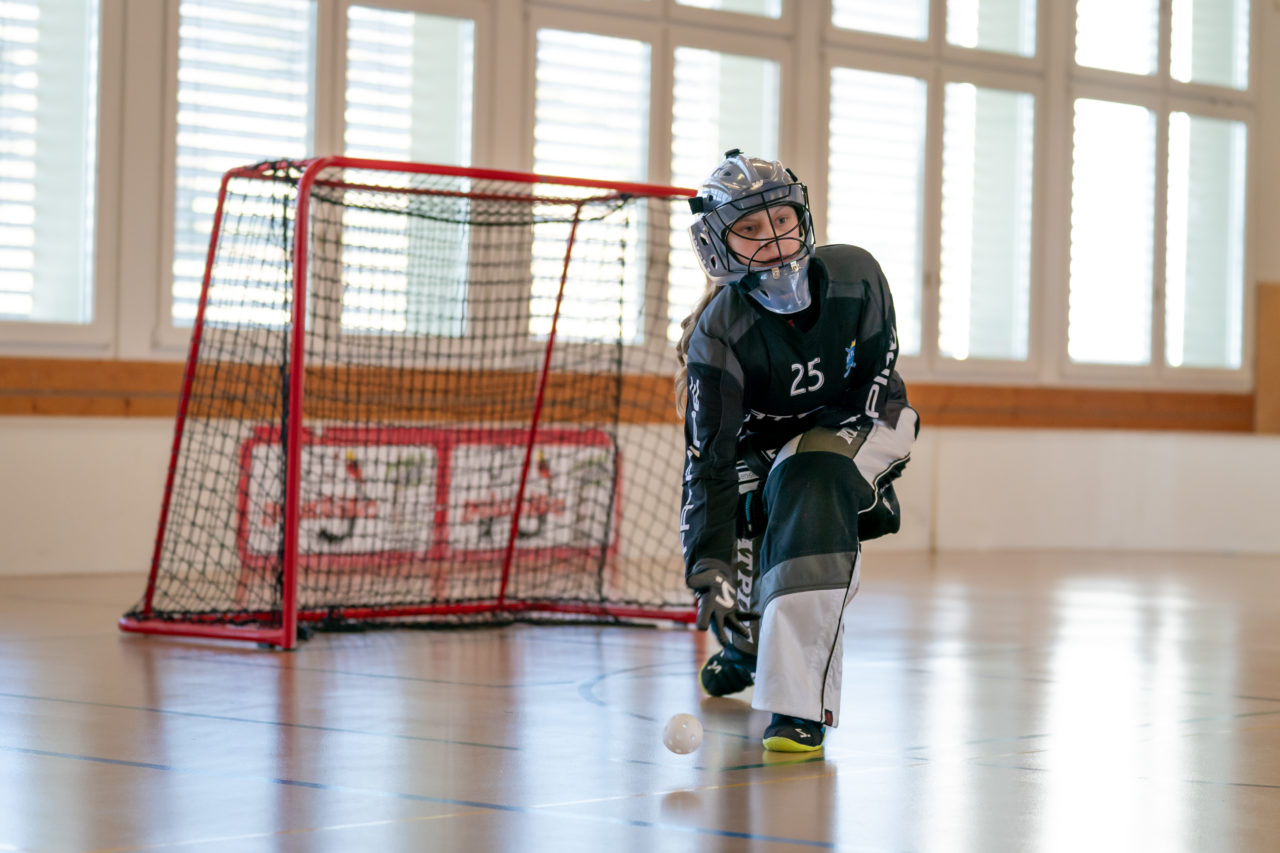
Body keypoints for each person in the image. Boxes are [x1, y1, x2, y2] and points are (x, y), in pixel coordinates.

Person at [676, 149, 918, 752]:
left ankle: (797, 707)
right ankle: (748, 649)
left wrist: (815, 479)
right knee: (747, 520)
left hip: (868, 417)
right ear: (718, 245)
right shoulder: (717, 334)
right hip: (767, 450)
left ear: (802, 216)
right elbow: (709, 464)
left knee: (809, 478)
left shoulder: (858, 274)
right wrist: (707, 567)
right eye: (750, 228)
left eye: (782, 219)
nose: (775, 239)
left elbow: (872, 385)